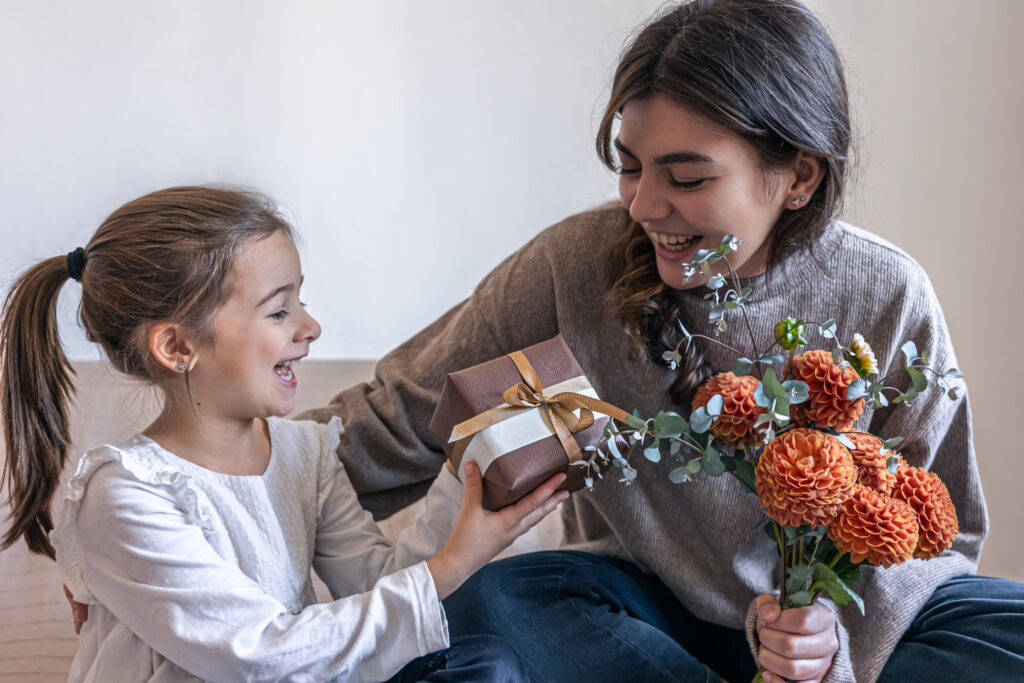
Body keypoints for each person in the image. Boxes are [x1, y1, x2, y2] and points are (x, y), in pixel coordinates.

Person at [298, 1, 1024, 682]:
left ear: (798, 175)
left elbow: (942, 528)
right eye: (629, 166)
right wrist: (240, 464)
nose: (643, 205)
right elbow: (396, 417)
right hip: (640, 617)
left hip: (825, 635)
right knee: (490, 598)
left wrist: (829, 637)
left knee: (1007, 624)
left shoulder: (888, 290)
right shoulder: (570, 266)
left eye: (687, 177)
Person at [0, 186, 567, 682]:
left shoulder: (304, 452)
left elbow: (375, 586)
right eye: (278, 311)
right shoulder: (126, 495)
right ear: (177, 346)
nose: (311, 326)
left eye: (302, 301)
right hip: (267, 671)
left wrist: (468, 486)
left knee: (487, 664)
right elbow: (256, 655)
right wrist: (452, 566)